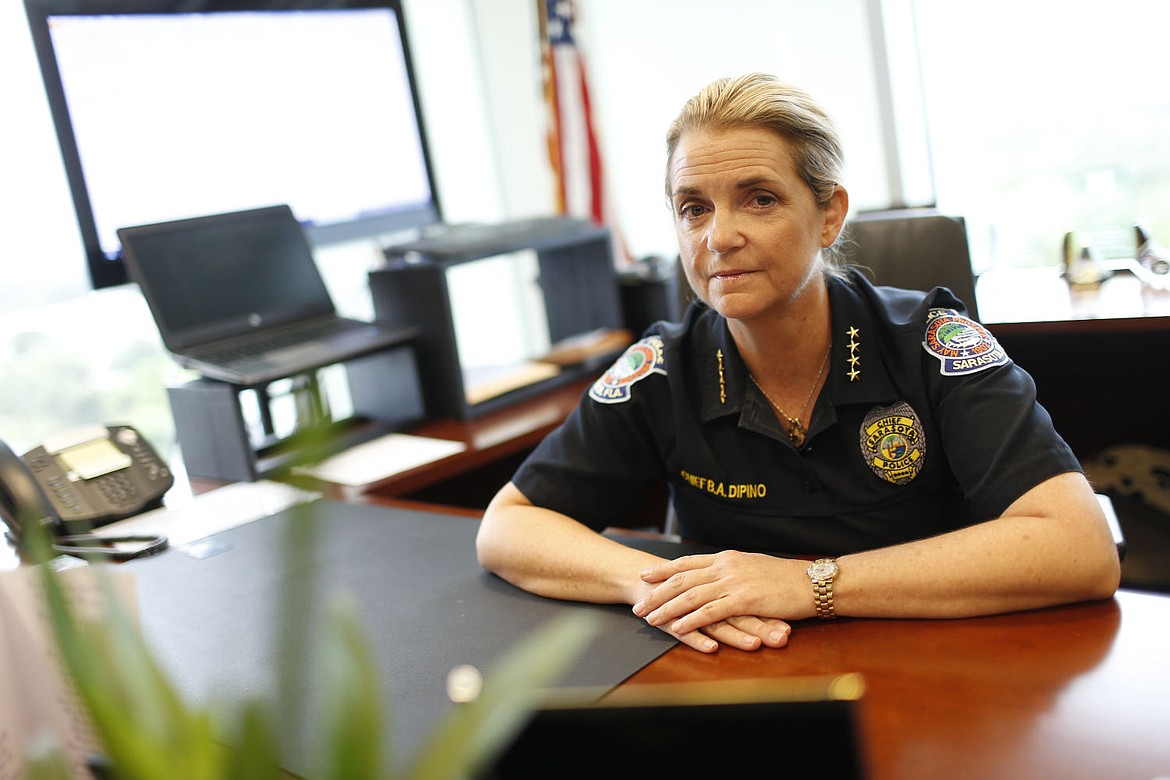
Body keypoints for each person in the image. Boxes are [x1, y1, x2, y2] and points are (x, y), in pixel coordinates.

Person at [475, 73, 1120, 654]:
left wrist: (808, 584)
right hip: (743, 676)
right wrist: (663, 587)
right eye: (693, 207)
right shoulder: (664, 366)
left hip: (943, 663)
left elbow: (1079, 546)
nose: (719, 237)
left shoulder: (931, 340)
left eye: (759, 199)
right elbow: (508, 527)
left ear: (829, 214)